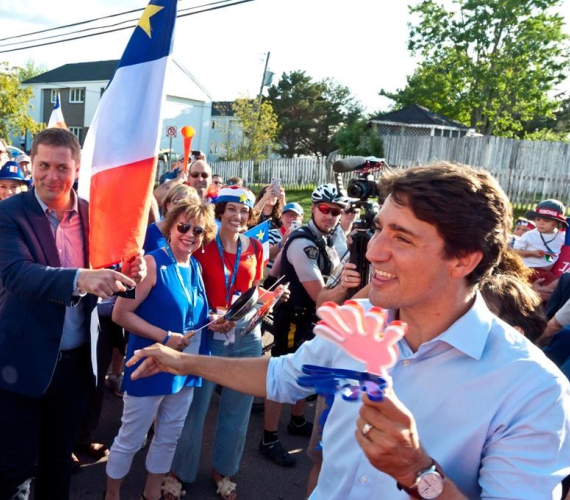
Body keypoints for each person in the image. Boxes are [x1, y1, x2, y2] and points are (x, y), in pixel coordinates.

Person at [129, 162, 570, 499]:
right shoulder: (358, 326)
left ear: (464, 259)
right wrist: (182, 360)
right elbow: (283, 377)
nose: (373, 252)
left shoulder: (532, 389)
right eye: (378, 229)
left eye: (403, 238)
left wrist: (419, 474)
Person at [0, 128, 146, 500]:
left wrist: (130, 276)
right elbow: (17, 275)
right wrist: (82, 277)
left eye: (62, 167)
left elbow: (114, 275)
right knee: (13, 475)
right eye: (43, 166)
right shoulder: (7, 214)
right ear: (31, 165)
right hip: (19, 364)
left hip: (74, 367)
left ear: (76, 169)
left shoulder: (94, 215)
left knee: (58, 466)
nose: (51, 176)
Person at [164, 186, 275, 500]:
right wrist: (212, 315)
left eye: (244, 211)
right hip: (209, 334)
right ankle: (178, 472)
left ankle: (223, 471)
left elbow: (253, 290)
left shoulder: (255, 246)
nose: (238, 217)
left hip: (246, 337)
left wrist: (269, 300)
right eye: (232, 210)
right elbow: (190, 286)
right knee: (195, 409)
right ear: (220, 211)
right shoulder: (203, 245)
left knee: (237, 410)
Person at [105, 201, 215, 500]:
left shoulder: (195, 266)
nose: (190, 234)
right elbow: (120, 314)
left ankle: (151, 494)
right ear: (170, 227)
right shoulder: (152, 263)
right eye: (183, 226)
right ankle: (112, 495)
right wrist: (165, 337)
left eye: (198, 230)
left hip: (184, 367)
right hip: (149, 365)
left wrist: (213, 321)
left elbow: (191, 314)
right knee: (131, 437)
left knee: (168, 438)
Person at [261, 184, 360, 467]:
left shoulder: (325, 239)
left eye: (336, 212)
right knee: (280, 374)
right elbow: (320, 294)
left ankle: (297, 420)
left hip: (308, 316)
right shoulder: (304, 243)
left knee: (308, 368)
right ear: (314, 209)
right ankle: (268, 437)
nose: (330, 216)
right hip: (294, 315)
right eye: (325, 210)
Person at [513, 199, 567, 284]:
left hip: (548, 272)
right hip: (527, 269)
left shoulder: (561, 236)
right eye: (538, 219)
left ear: (556, 223)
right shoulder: (529, 235)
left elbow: (551, 257)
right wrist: (532, 253)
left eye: (546, 221)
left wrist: (546, 256)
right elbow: (515, 251)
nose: (541, 223)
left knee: (558, 285)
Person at [144, 184, 200, 252]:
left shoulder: (197, 234)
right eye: (177, 202)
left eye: (187, 206)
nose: (181, 209)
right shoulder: (150, 232)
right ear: (168, 205)